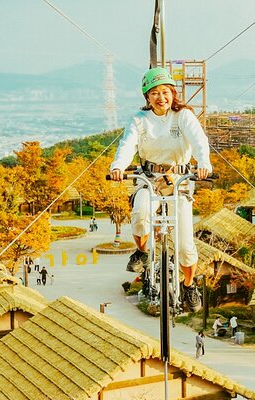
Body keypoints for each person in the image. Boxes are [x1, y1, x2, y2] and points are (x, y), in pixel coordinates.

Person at [109, 67, 212, 312]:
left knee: (186, 246)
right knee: (140, 216)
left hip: (179, 179)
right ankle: (143, 253)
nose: (160, 97)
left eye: (165, 92)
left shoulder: (184, 116)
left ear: (172, 93)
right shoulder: (139, 119)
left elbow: (199, 141)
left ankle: (188, 285)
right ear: (147, 97)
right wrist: (118, 166)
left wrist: (204, 164)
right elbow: (127, 144)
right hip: (149, 177)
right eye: (154, 93)